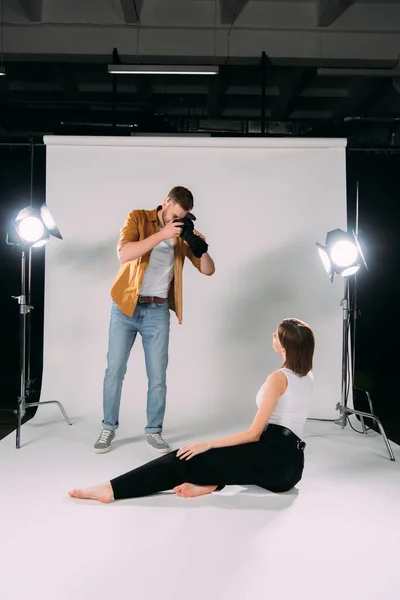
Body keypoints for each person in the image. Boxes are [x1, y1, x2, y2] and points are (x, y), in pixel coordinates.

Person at [71, 318, 315, 502]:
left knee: (185, 457)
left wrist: (206, 444)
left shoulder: (278, 378)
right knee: (221, 458)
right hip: (291, 471)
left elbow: (253, 435)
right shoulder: (307, 377)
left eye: (277, 335)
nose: (272, 335)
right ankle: (209, 483)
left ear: (285, 348)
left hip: (271, 460)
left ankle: (111, 489)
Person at [93, 186, 215, 455]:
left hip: (157, 311)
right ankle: (108, 427)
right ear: (164, 203)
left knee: (157, 376)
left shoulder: (182, 233)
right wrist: (162, 235)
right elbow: (124, 253)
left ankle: (154, 431)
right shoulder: (137, 218)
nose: (176, 220)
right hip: (125, 305)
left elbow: (208, 270)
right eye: (173, 214)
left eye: (181, 217)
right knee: (114, 370)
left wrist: (201, 247)